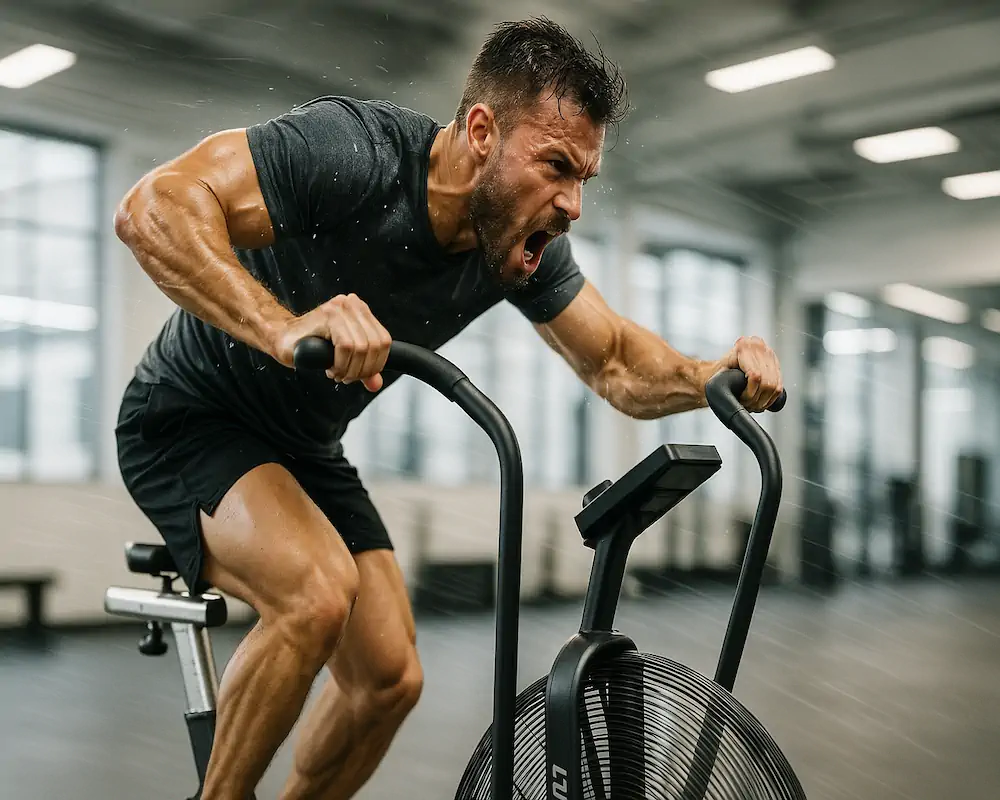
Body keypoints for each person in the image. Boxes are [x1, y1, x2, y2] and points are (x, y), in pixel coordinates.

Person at [113, 16, 783, 800]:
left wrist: (716, 374)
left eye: (583, 181)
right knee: (316, 595)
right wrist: (285, 327)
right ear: (479, 130)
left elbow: (613, 361)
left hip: (303, 446)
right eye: (555, 166)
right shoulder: (354, 154)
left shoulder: (517, 246)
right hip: (187, 416)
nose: (571, 205)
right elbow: (152, 207)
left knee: (388, 679)